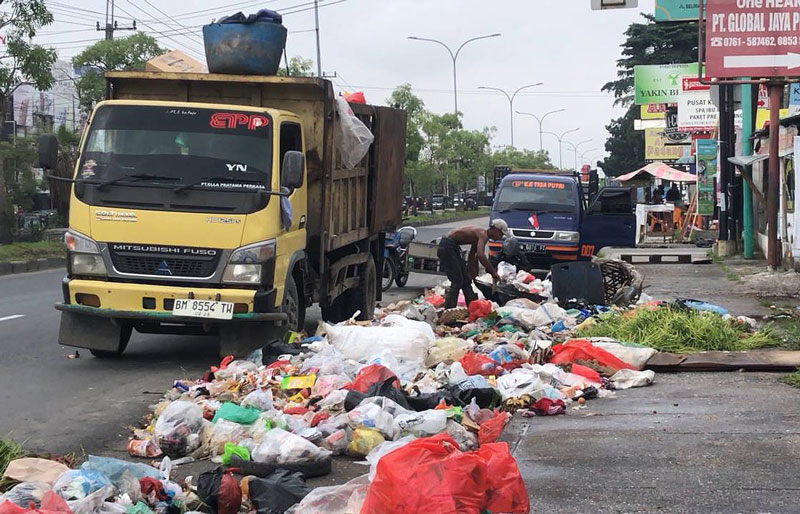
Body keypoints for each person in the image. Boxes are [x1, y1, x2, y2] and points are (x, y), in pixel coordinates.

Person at [437, 219, 510, 309]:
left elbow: (473, 257)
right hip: (447, 246)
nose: (500, 237)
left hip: (453, 247)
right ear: (495, 230)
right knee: (457, 281)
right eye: (501, 234)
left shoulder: (480, 237)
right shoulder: (482, 234)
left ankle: (473, 308)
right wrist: (493, 272)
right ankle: (448, 310)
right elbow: (480, 255)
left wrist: (473, 276)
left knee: (466, 281)